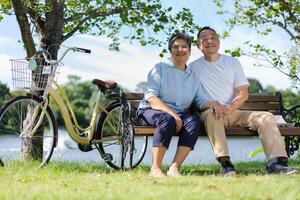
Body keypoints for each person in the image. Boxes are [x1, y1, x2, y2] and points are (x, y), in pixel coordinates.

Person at [190, 26, 297, 176]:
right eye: (204, 39)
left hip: (233, 112)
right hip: (210, 113)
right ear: (199, 46)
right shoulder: (193, 67)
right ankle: (226, 165)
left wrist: (229, 109)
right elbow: (193, 96)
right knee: (214, 114)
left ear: (218, 42)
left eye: (212, 37)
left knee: (266, 117)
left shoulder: (233, 62)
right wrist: (212, 105)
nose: (209, 41)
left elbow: (243, 93)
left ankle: (276, 164)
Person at [137, 33, 211, 177]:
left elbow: (201, 100)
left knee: (193, 121)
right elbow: (151, 97)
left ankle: (174, 168)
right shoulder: (160, 68)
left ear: (189, 51)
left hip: (178, 115)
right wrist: (172, 113)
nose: (180, 50)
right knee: (167, 118)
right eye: (175, 47)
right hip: (150, 111)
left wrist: (213, 104)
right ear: (170, 51)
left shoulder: (193, 76)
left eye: (184, 47)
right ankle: (155, 168)